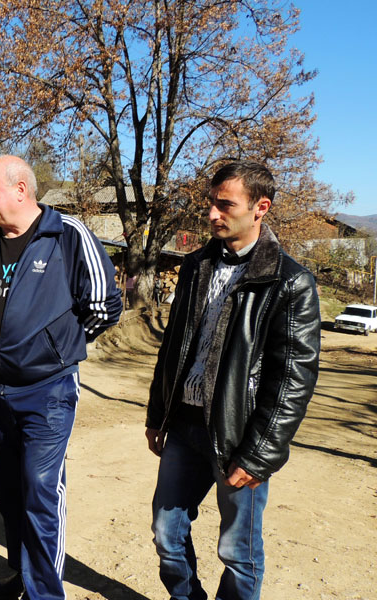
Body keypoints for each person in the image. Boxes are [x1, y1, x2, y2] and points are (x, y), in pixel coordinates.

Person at [145, 161, 321, 600]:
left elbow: (292, 382)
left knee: (238, 553)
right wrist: (156, 413)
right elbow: (173, 349)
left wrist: (259, 455)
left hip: (240, 437)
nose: (211, 214)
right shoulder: (195, 266)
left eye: (225, 205)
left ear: (261, 207)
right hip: (184, 427)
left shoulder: (290, 281)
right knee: (167, 536)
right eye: (211, 203)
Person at [0, 155, 123, 600]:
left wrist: (56, 347)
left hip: (47, 389)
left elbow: (105, 304)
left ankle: (46, 594)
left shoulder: (66, 234)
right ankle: (22, 580)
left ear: (20, 190)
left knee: (41, 492)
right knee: (8, 490)